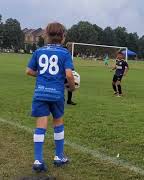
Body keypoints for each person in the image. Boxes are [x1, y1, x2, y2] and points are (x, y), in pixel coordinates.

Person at [26, 22, 75, 172]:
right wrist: (72, 87)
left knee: (40, 126)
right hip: (56, 94)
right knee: (58, 123)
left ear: (46, 35)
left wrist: (41, 75)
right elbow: (68, 74)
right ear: (63, 37)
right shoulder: (65, 53)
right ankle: (59, 157)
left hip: (40, 92)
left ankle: (38, 160)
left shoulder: (39, 51)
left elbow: (28, 71)